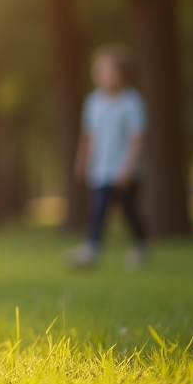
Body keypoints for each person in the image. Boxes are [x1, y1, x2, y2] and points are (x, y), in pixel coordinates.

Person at [67, 44, 148, 269]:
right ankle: (91, 249)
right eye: (99, 71)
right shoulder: (93, 102)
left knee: (130, 212)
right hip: (100, 169)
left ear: (121, 73)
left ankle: (140, 246)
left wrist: (127, 167)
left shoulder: (132, 102)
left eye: (109, 71)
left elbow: (136, 139)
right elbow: (88, 136)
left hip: (126, 170)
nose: (103, 76)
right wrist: (82, 160)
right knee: (98, 210)